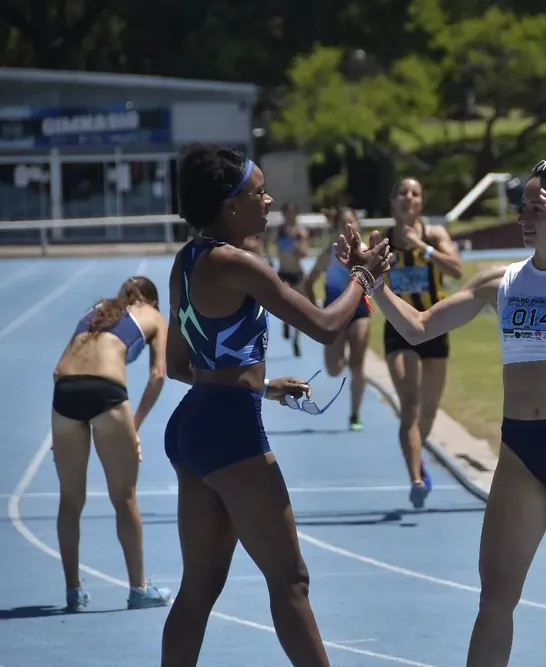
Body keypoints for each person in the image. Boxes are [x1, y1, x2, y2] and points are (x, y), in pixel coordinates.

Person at [365, 160, 546, 667]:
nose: (523, 216)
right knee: (495, 597)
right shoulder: (501, 282)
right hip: (519, 450)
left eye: (536, 206)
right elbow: (418, 327)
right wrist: (375, 285)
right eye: (521, 205)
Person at [159, 143, 391, 667]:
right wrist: (364, 276)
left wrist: (260, 386)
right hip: (230, 431)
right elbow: (328, 326)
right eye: (258, 192)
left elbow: (179, 365)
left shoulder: (186, 261)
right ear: (229, 204)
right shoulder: (241, 265)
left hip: (193, 427)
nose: (268, 201)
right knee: (292, 582)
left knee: (198, 592)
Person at [50, 276, 173, 612]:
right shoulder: (154, 316)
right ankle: (138, 589)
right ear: (152, 302)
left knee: (70, 499)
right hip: (106, 393)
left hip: (64, 393)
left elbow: (60, 368)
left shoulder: (97, 310)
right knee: (125, 498)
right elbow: (159, 374)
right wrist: (133, 429)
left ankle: (73, 592)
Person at [382, 177, 463, 508]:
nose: (408, 198)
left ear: (421, 201)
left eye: (415, 193)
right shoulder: (384, 240)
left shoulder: (435, 235)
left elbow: (457, 270)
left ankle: (419, 459)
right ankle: (415, 477)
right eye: (402, 193)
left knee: (428, 411)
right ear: (393, 201)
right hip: (399, 329)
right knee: (410, 406)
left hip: (435, 325)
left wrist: (423, 247)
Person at [301, 207, 371, 432]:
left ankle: (355, 414)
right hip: (335, 314)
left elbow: (382, 283)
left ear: (358, 227)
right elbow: (309, 282)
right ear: (339, 228)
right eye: (344, 224)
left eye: (353, 224)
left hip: (360, 314)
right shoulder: (329, 254)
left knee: (358, 365)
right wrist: (317, 308)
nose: (349, 229)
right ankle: (343, 356)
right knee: (333, 368)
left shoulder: (366, 253)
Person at [268, 202, 309, 357]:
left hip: (297, 273)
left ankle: (296, 340)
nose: (290, 216)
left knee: (299, 310)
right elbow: (268, 242)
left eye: (293, 213)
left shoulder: (300, 232)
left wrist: (296, 243)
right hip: (283, 273)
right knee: (285, 304)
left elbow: (304, 253)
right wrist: (270, 256)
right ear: (284, 214)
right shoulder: (278, 230)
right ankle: (285, 322)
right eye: (287, 213)